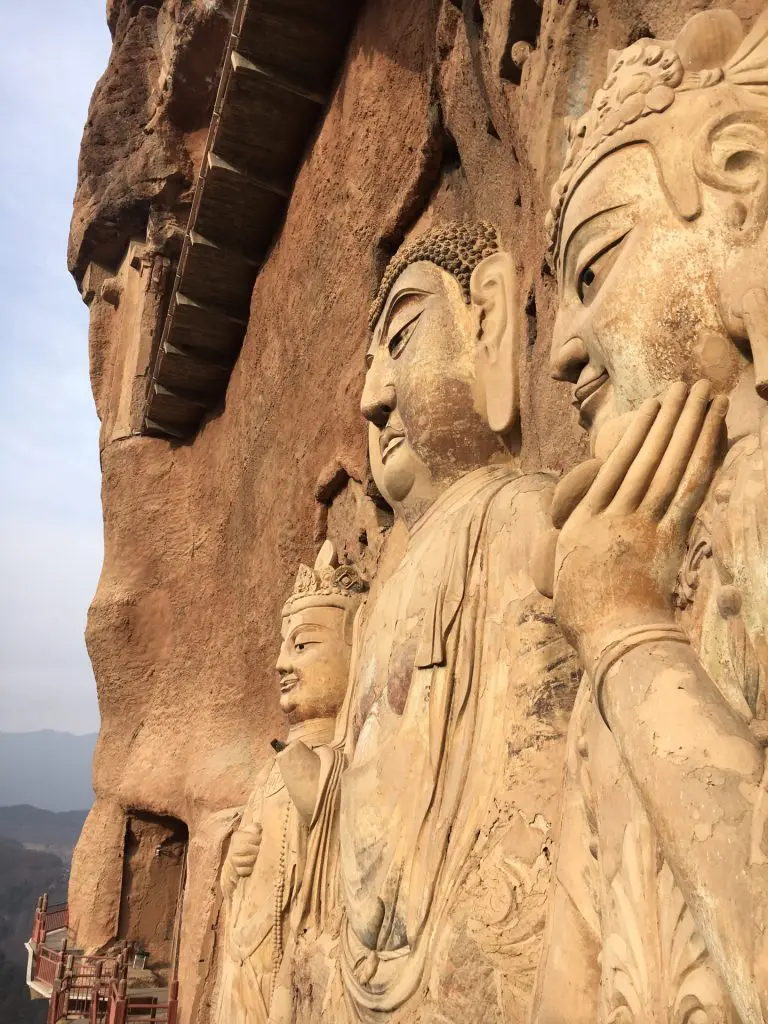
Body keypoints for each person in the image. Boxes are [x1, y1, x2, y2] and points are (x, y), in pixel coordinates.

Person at [533, 10, 768, 1021]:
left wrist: (628, 630)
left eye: (596, 270)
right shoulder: (608, 585)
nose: (562, 354)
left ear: (739, 183)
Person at [332, 222, 577, 1021]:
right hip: (360, 969)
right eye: (367, 367)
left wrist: (469, 960)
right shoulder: (374, 611)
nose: (373, 399)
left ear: (486, 320)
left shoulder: (519, 516)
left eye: (401, 340)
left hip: (462, 966)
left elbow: (536, 778)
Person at [214, 543, 366, 1024]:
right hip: (245, 966)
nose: (282, 663)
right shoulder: (271, 769)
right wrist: (232, 867)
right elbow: (240, 881)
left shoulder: (346, 763)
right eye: (284, 647)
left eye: (302, 645)